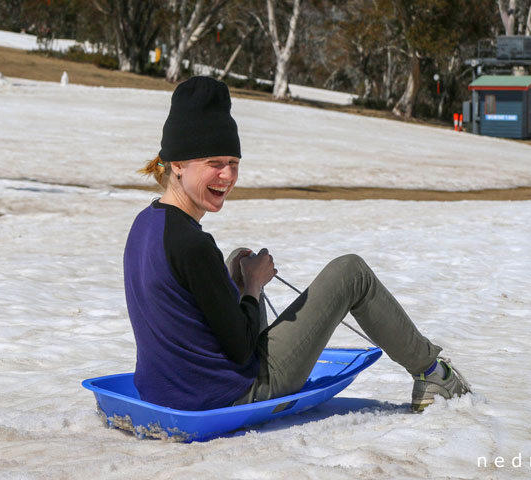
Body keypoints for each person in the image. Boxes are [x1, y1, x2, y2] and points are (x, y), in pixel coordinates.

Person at [123, 76, 470, 414]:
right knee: (350, 272)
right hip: (229, 394)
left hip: (167, 392)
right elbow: (241, 350)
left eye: (233, 164)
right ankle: (433, 373)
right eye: (215, 164)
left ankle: (242, 275)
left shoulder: (146, 224)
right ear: (179, 164)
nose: (227, 176)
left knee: (236, 259)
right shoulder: (193, 244)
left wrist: (239, 281)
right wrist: (254, 286)